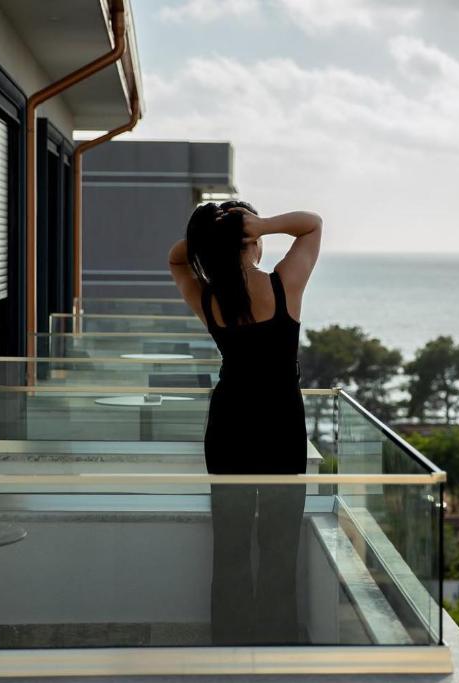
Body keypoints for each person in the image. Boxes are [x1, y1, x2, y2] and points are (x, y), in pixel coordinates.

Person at [168, 201, 322, 645]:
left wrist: (216, 237)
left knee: (230, 541)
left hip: (230, 423)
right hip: (280, 423)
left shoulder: (207, 297)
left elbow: (176, 257)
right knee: (280, 542)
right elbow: (311, 226)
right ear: (252, 243)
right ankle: (276, 645)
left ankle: (230, 644)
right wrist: (262, 225)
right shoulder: (283, 285)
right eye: (257, 237)